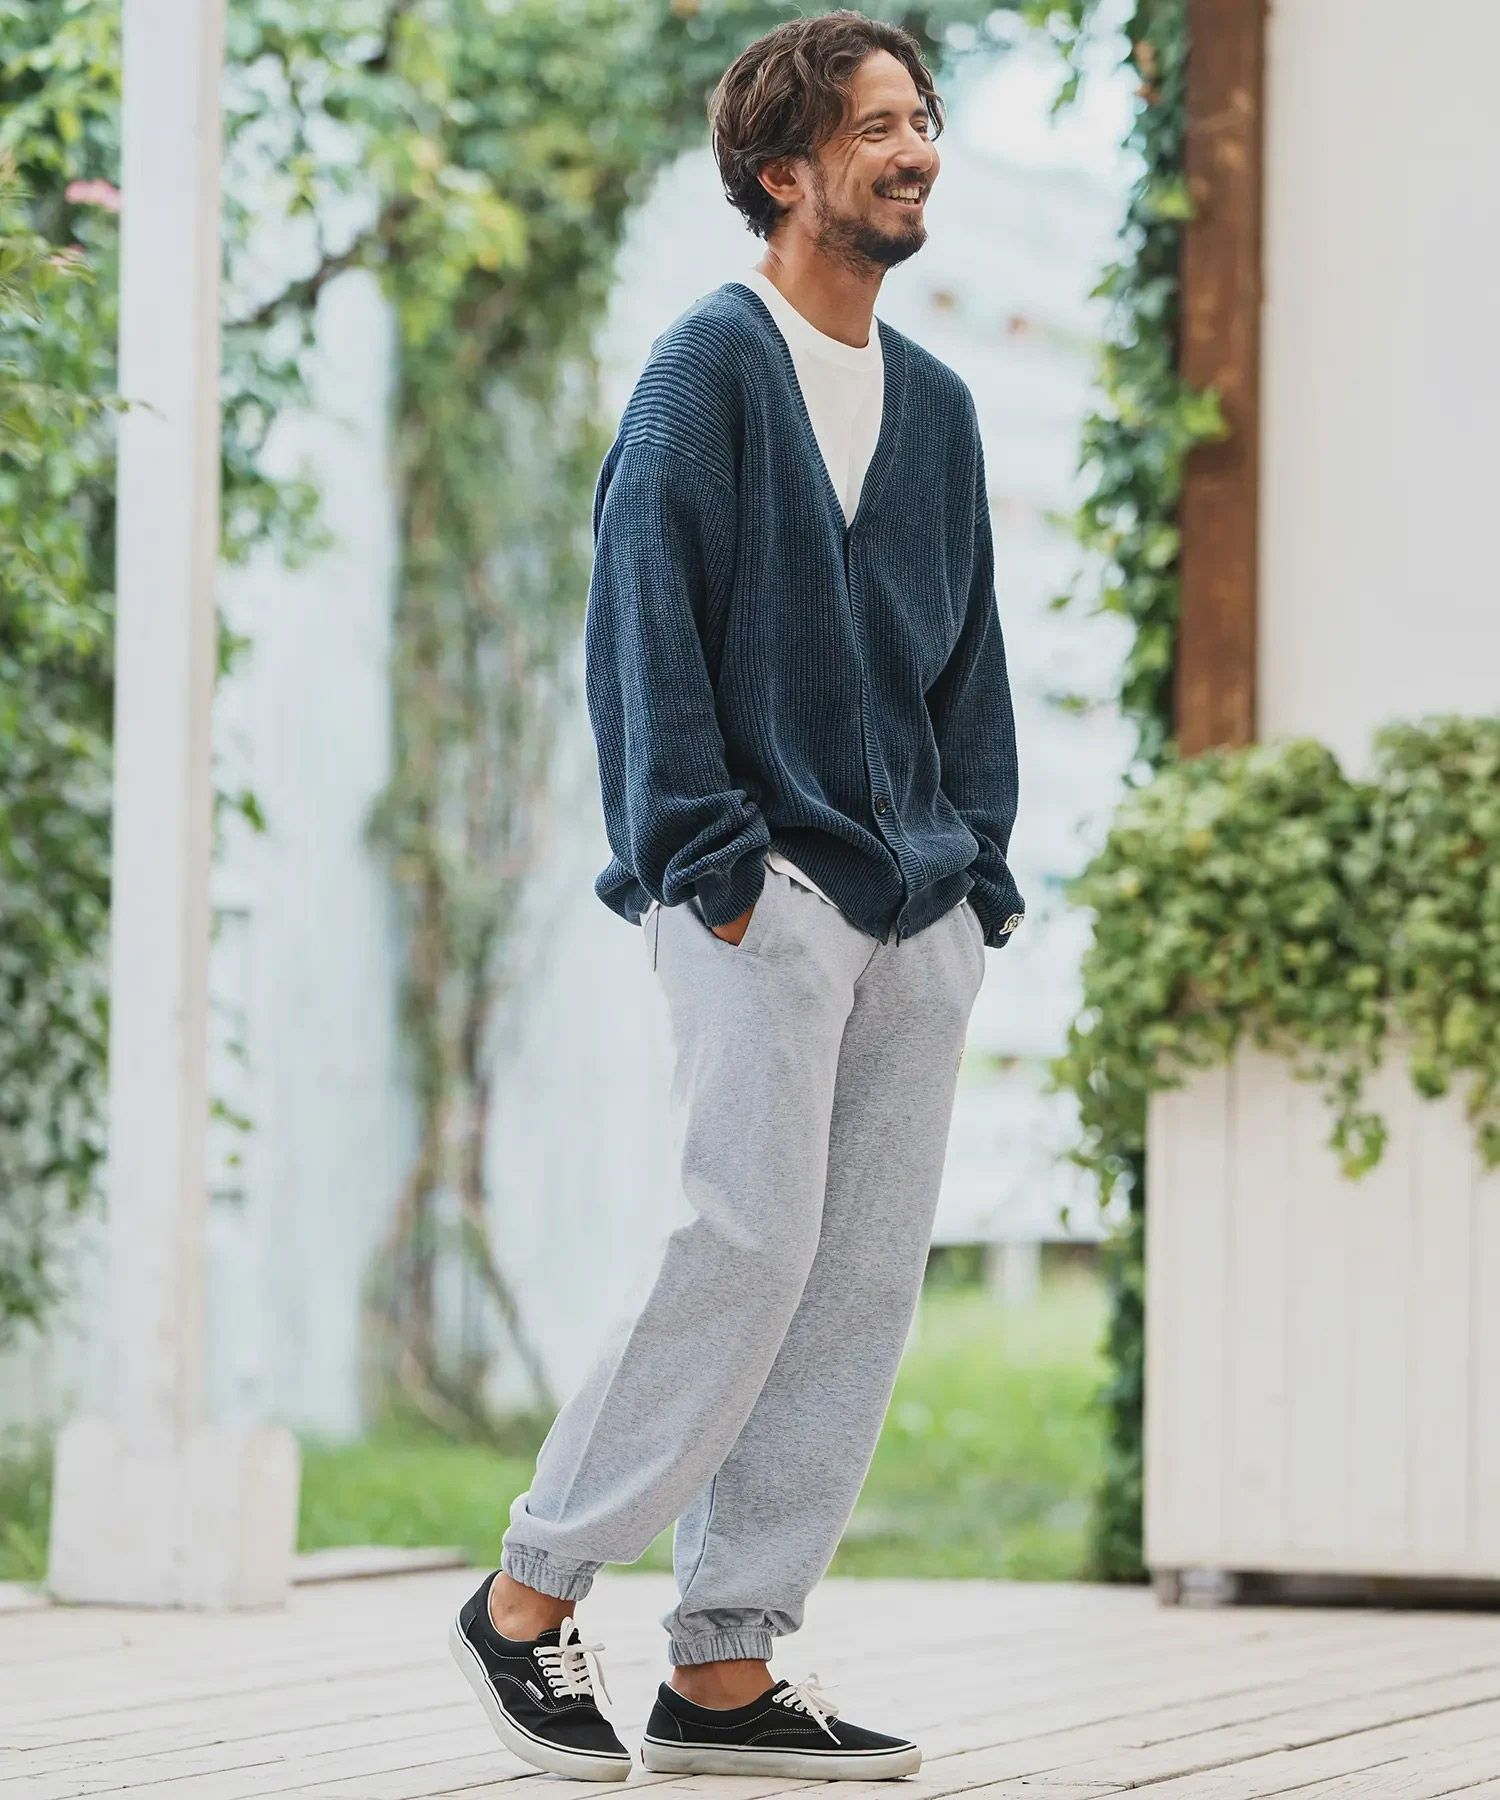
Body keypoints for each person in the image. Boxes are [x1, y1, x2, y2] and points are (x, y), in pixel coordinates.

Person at [449, 9, 1024, 1781]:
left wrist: (978, 880)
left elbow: (971, 667)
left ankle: (724, 1666)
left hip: (915, 909)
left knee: (855, 1288)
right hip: (753, 892)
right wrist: (708, 861)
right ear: (783, 172)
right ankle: (529, 1596)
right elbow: (642, 621)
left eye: (922, 119)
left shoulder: (936, 408)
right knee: (745, 1245)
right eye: (876, 126)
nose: (915, 151)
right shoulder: (709, 369)